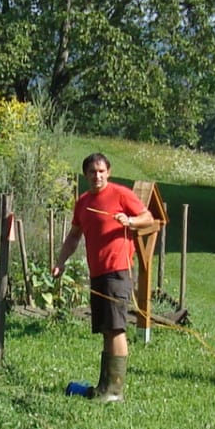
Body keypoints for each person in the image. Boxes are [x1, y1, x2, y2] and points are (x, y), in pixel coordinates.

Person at [52, 152, 156, 402]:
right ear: (85, 174)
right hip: (97, 273)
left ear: (108, 172)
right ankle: (104, 387)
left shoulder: (121, 194)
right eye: (92, 172)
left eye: (101, 171)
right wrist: (60, 262)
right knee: (106, 329)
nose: (97, 176)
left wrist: (129, 220)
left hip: (117, 271)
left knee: (116, 327)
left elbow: (148, 219)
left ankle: (115, 391)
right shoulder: (83, 202)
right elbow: (74, 236)